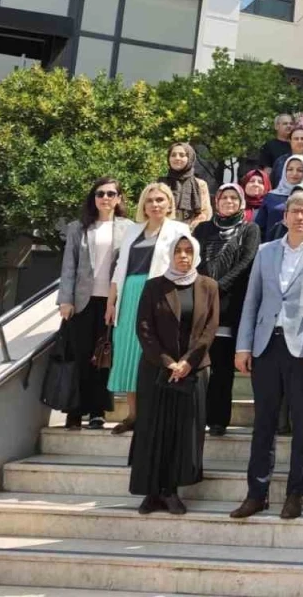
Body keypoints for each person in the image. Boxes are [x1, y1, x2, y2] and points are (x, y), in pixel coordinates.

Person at [231, 191, 303, 521]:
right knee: (263, 423)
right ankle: (257, 493)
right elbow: (252, 300)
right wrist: (243, 345)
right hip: (267, 344)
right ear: (285, 216)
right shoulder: (266, 251)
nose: (300, 216)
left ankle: (296, 493)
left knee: (302, 425)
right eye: (295, 211)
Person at [130, 232, 218, 516]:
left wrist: (188, 362)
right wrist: (169, 363)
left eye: (188, 251)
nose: (183, 256)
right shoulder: (154, 286)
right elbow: (144, 328)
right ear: (169, 254)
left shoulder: (208, 286)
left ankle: (171, 491)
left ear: (196, 254)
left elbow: (209, 330)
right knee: (152, 430)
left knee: (183, 432)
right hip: (156, 369)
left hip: (193, 371)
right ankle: (151, 492)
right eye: (178, 251)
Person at [107, 183, 190, 436]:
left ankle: (154, 414)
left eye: (160, 200)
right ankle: (133, 415)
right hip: (129, 295)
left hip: (159, 294)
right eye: (150, 200)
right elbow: (120, 268)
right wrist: (111, 301)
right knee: (127, 354)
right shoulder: (132, 230)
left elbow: (185, 265)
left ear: (169, 203)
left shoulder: (179, 230)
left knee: (152, 350)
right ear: (143, 205)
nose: (155, 204)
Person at [58, 177, 131, 430]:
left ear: (119, 198)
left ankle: (98, 411)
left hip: (112, 302)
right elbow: (69, 266)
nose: (105, 198)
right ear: (94, 198)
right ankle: (75, 410)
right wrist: (65, 300)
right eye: (100, 194)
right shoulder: (78, 227)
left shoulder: (129, 228)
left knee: (103, 357)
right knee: (80, 356)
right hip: (82, 302)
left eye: (111, 194)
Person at [192, 184, 260, 437]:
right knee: (197, 365)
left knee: (221, 367)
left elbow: (247, 261)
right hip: (201, 302)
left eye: (234, 198)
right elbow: (194, 258)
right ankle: (195, 416)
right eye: (224, 197)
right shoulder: (203, 229)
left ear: (241, 202)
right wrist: (205, 287)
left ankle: (218, 419)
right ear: (216, 201)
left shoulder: (250, 229)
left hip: (230, 306)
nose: (229, 201)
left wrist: (218, 287)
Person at [256, 156, 303, 240]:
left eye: (300, 170)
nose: (294, 173)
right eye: (290, 169)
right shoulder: (271, 196)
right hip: (273, 244)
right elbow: (259, 228)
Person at [160, 142, 211, 227]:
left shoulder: (199, 184)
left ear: (190, 158)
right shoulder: (160, 184)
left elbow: (205, 212)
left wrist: (189, 229)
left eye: (182, 155)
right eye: (173, 155)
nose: (177, 158)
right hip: (164, 228)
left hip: (190, 229)